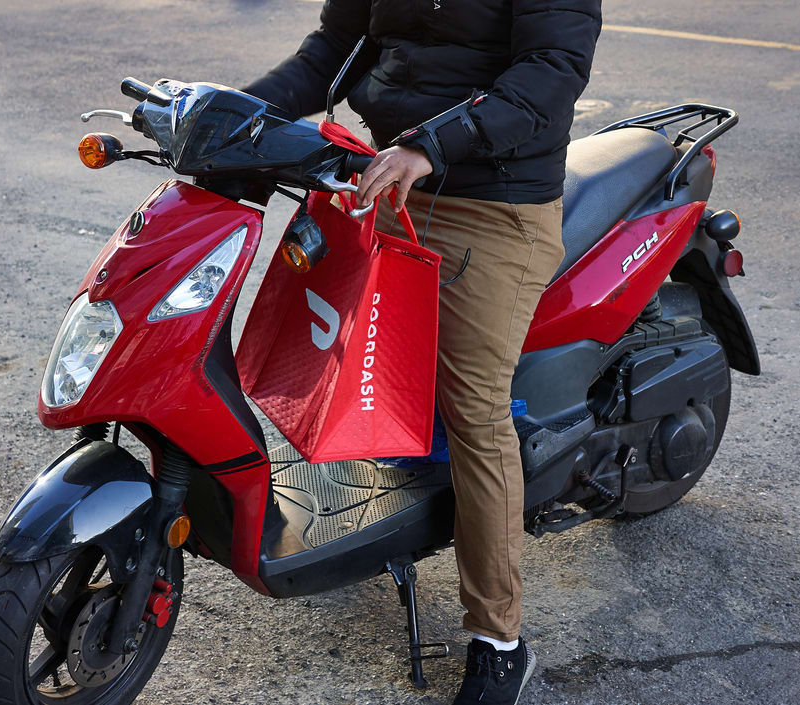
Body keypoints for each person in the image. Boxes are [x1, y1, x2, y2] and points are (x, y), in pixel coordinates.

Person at [244, 1, 601, 702]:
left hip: (493, 201)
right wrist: (232, 113)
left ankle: (499, 638)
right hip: (392, 176)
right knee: (351, 362)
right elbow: (336, 47)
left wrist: (434, 143)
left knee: (474, 409)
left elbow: (553, 68)